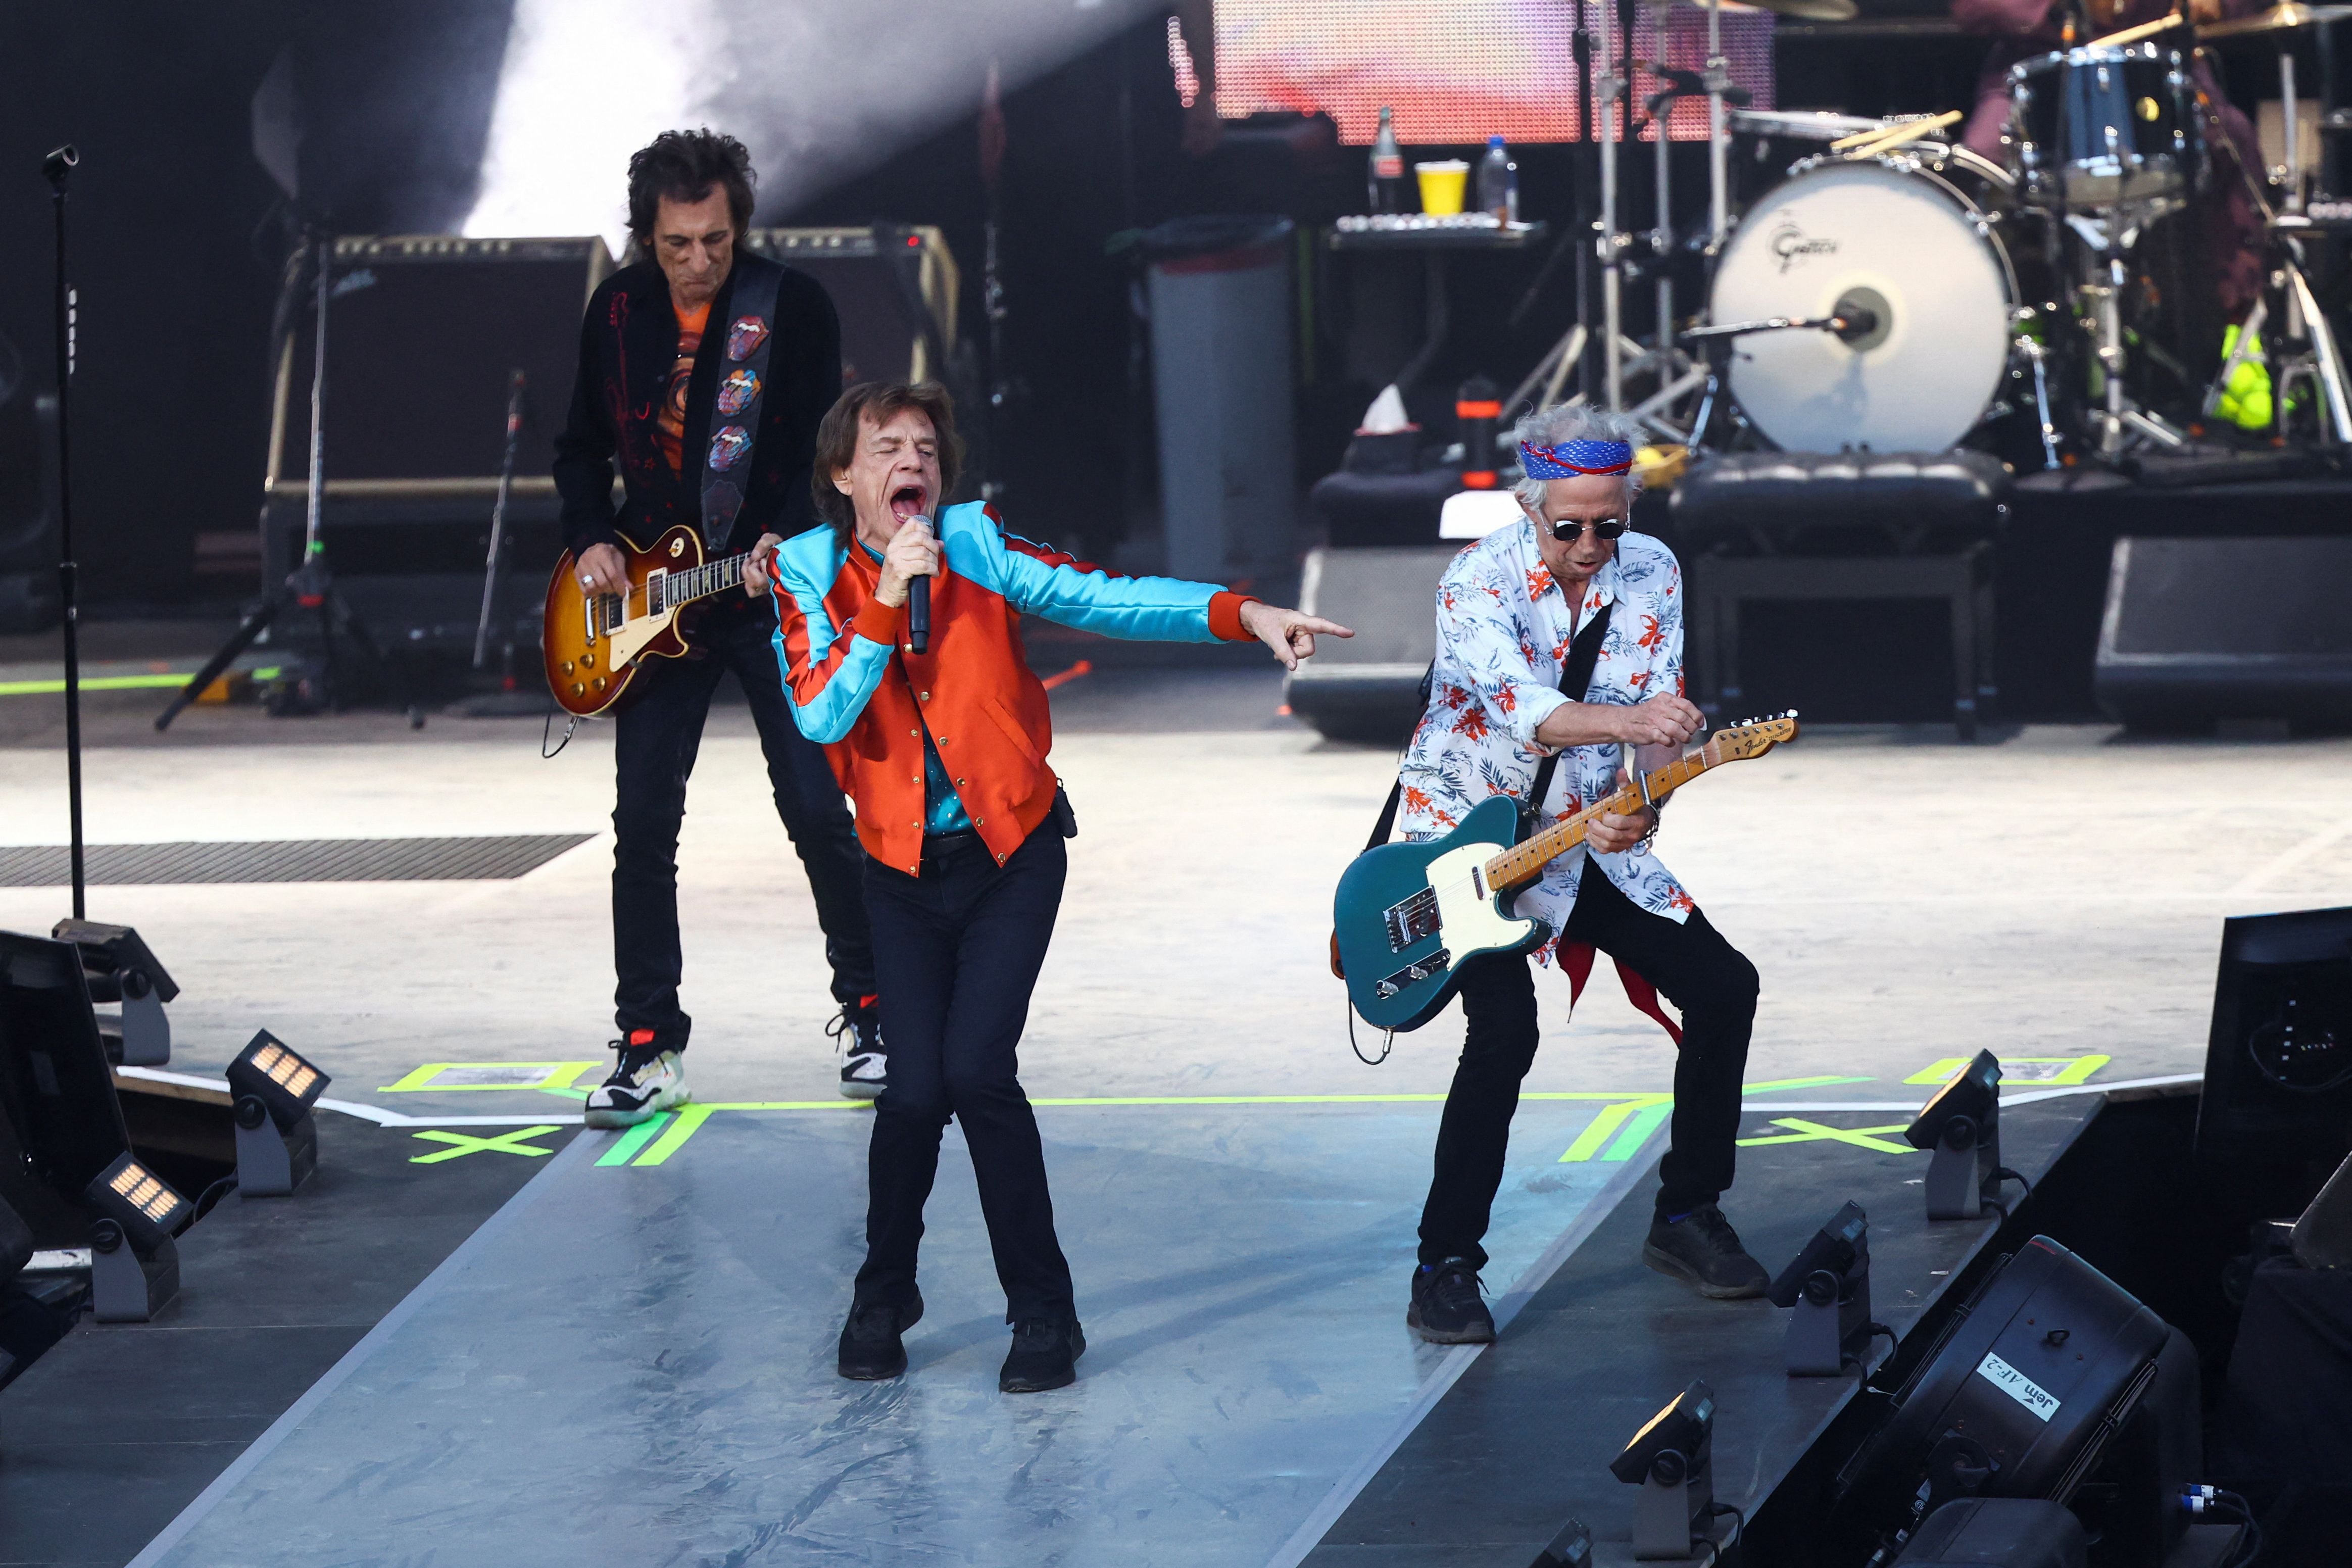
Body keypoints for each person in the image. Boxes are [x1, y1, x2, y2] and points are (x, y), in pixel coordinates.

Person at [753, 380, 1350, 1393]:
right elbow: (820, 717)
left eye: (928, 450)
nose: (914, 463)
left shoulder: (977, 546)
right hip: (897, 874)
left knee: (978, 1073)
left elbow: (1102, 595)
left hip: (1010, 856)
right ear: (844, 476)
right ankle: (883, 1291)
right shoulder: (807, 575)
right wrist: (887, 597)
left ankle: (1044, 1314)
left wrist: (1238, 612)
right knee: (910, 1096)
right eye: (888, 446)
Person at [1396, 405, 1767, 1345]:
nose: (1594, 543)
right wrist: (1632, 728)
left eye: (1612, 521)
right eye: (1571, 526)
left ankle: (1686, 1213)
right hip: (1466, 836)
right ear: (1532, 508)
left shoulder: (1655, 570)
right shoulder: (1474, 579)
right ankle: (1444, 1262)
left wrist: (1647, 803)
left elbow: (1659, 725)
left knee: (1724, 986)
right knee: (1504, 1031)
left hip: (1583, 830)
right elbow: (1527, 711)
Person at [553, 129, 883, 1123]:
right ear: (645, 237)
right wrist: (590, 539)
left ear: (739, 225)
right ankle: (648, 1043)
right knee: (643, 829)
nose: (699, 262)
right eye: (678, 244)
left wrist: (791, 536)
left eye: (715, 240)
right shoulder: (614, 312)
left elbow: (829, 457)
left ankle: (873, 1013)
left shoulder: (791, 307)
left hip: (766, 590)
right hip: (652, 608)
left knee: (821, 812)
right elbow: (578, 451)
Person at [1956, 0, 2267, 320]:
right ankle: (1989, 316)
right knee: (1982, 160)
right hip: (2036, 71)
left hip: (2157, 69)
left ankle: (2228, 313)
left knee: (2232, 138)